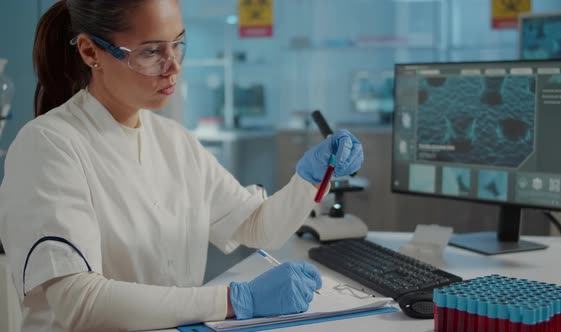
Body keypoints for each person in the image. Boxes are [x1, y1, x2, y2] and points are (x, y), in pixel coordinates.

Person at [0, 0, 364, 331]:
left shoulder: (175, 141)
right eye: (151, 52)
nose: (172, 65)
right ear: (90, 51)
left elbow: (255, 226)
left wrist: (308, 178)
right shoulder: (48, 146)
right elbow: (81, 303)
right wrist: (235, 301)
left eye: (177, 44)